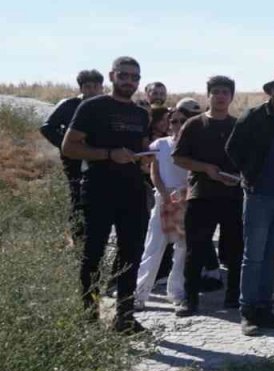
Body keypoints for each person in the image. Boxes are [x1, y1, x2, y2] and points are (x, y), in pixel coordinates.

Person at [61, 57, 151, 334]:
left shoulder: (141, 113)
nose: (129, 81)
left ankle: (124, 317)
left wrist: (145, 159)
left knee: (131, 254)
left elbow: (141, 146)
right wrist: (109, 155)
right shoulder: (92, 107)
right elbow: (69, 147)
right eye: (124, 75)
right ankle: (90, 317)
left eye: (135, 77)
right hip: (99, 189)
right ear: (112, 76)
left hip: (133, 191)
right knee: (93, 255)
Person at [224, 69, 274, 336]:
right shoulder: (254, 115)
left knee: (273, 256)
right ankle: (248, 312)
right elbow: (232, 149)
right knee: (254, 256)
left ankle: (265, 308)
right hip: (259, 194)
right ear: (271, 91)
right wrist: (250, 175)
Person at [172, 75, 245, 317]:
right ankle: (190, 300)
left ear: (231, 96)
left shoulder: (238, 125)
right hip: (201, 195)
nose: (221, 96)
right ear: (208, 95)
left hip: (232, 195)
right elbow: (178, 157)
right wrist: (206, 169)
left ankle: (233, 298)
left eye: (225, 92)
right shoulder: (194, 124)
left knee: (234, 250)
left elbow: (249, 160)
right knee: (196, 249)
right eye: (216, 91)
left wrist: (235, 175)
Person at [134, 106, 197, 309]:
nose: (177, 125)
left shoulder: (194, 146)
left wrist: (184, 194)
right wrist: (163, 194)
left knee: (182, 248)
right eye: (173, 121)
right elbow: (154, 171)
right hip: (164, 199)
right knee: (153, 246)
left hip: (186, 199)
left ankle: (176, 292)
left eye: (182, 120)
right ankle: (140, 293)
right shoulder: (160, 144)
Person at [41, 69, 104, 234]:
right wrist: (66, 146)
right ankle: (78, 239)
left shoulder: (106, 106)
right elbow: (47, 128)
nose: (93, 90)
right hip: (74, 159)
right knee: (78, 196)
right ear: (81, 88)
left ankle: (96, 234)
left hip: (100, 158)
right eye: (88, 86)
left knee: (100, 196)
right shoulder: (69, 105)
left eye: (96, 86)